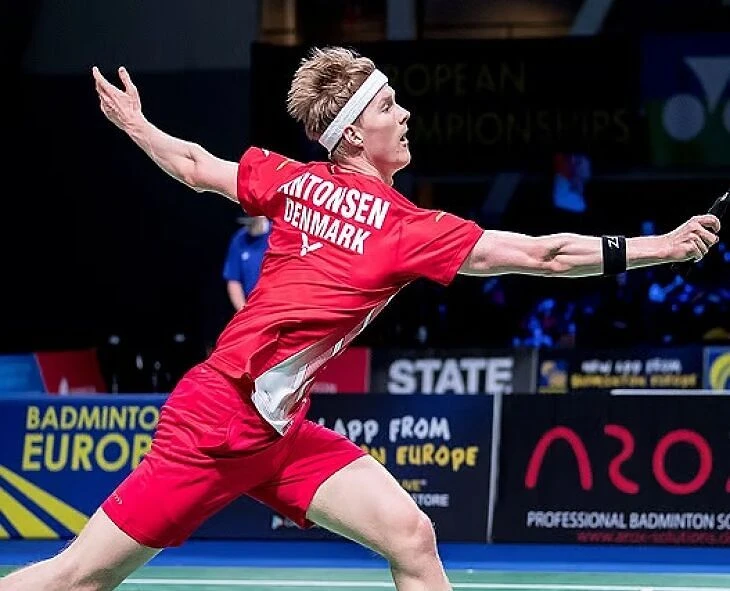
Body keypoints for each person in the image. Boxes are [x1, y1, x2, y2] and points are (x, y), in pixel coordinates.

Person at [1, 46, 720, 591]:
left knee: (410, 535)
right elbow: (545, 255)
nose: (404, 115)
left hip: (278, 432)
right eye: (388, 107)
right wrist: (662, 247)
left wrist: (138, 125)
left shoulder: (295, 181)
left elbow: (195, 165)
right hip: (217, 424)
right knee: (78, 577)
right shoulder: (402, 229)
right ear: (351, 136)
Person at [223, 215, 271, 311]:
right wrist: (244, 311)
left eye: (253, 223)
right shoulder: (239, 239)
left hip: (277, 302)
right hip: (252, 306)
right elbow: (233, 280)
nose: (249, 227)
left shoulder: (277, 234)